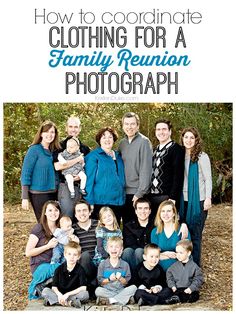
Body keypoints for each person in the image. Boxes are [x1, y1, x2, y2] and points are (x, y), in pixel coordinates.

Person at [179, 127, 212, 266]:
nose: (189, 140)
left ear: (196, 140)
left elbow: (208, 178)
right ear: (182, 139)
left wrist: (208, 198)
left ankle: (195, 268)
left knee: (196, 235)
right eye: (186, 137)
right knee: (183, 235)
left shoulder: (201, 156)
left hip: (198, 201)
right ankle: (183, 268)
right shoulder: (179, 156)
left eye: (192, 137)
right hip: (183, 201)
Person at [21, 120, 61, 222]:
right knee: (44, 223)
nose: (50, 134)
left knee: (54, 223)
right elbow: (26, 173)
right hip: (38, 194)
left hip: (54, 193)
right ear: (41, 134)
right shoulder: (34, 150)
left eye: (52, 132)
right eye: (47, 132)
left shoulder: (55, 151)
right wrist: (24, 197)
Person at [85, 127, 125, 224]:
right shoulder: (93, 156)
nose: (107, 140)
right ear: (99, 140)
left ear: (114, 139)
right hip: (100, 202)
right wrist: (90, 201)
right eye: (104, 137)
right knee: (101, 233)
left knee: (115, 232)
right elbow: (89, 180)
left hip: (118, 201)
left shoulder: (119, 156)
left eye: (110, 137)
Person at [118, 112, 153, 224]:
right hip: (123, 193)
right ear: (123, 126)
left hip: (137, 193)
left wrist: (139, 193)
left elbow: (146, 169)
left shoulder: (144, 142)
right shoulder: (122, 143)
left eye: (132, 124)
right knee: (127, 227)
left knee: (138, 227)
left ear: (137, 126)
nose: (129, 127)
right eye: (126, 124)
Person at [148, 119, 185, 220]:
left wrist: (173, 198)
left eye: (164, 129)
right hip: (152, 196)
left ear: (170, 131)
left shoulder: (176, 149)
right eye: (158, 129)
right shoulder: (155, 150)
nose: (161, 132)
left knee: (168, 226)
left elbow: (178, 176)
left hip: (167, 197)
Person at [54, 116, 90, 218]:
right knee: (67, 217)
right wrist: (77, 160)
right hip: (65, 187)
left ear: (80, 129)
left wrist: (80, 174)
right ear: (66, 128)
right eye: (70, 126)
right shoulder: (59, 146)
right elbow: (57, 166)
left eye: (76, 127)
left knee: (82, 219)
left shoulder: (85, 148)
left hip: (82, 187)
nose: (73, 129)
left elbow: (88, 167)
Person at [25, 200, 61, 300]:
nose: (53, 213)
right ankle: (33, 289)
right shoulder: (39, 228)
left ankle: (44, 287)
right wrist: (47, 246)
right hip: (40, 267)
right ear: (45, 213)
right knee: (62, 268)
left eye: (56, 210)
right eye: (50, 210)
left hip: (54, 264)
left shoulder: (61, 229)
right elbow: (28, 252)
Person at [42, 241, 89, 308]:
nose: (71, 257)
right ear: (65, 255)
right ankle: (69, 303)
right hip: (60, 294)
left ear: (78, 257)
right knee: (45, 291)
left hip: (72, 295)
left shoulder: (80, 270)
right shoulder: (59, 269)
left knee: (85, 294)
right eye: (69, 254)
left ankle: (55, 301)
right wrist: (59, 295)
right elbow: (54, 287)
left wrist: (67, 294)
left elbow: (83, 287)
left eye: (75, 255)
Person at [95, 237, 137, 306]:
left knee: (134, 288)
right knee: (98, 290)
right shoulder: (102, 264)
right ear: (107, 249)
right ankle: (124, 299)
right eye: (111, 247)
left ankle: (111, 300)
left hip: (121, 290)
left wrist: (120, 278)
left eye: (117, 247)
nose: (114, 249)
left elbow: (126, 283)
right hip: (107, 290)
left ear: (121, 250)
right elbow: (101, 283)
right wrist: (109, 279)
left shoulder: (125, 265)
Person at [151, 200, 190, 272]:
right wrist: (165, 254)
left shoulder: (182, 229)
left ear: (174, 214)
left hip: (179, 264)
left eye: (168, 211)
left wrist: (175, 255)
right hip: (159, 264)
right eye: (163, 211)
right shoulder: (155, 232)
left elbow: (187, 251)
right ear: (159, 214)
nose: (165, 214)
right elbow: (153, 253)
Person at [165, 239, 204, 304]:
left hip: (188, 289)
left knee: (195, 295)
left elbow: (198, 279)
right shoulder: (173, 267)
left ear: (188, 253)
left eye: (181, 253)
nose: (178, 255)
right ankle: (175, 298)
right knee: (166, 292)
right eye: (177, 252)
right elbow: (169, 277)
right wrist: (172, 286)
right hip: (177, 289)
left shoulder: (194, 267)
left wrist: (191, 288)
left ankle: (176, 299)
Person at [72, 200, 98, 295]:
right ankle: (89, 285)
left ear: (90, 212)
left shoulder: (98, 225)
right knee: (85, 256)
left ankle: (92, 286)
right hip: (82, 265)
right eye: (78, 211)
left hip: (99, 263)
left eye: (84, 210)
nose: (82, 213)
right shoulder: (72, 229)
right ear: (75, 214)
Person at [122, 198, 154, 273]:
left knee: (139, 251)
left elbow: (173, 219)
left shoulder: (155, 224)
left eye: (146, 208)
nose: (143, 211)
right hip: (133, 255)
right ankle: (128, 277)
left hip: (151, 255)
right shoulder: (129, 226)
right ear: (136, 211)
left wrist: (183, 223)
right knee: (127, 251)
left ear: (150, 211)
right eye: (140, 208)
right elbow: (129, 244)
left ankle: (141, 276)